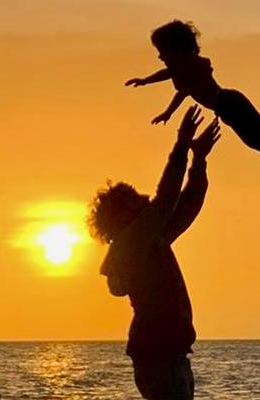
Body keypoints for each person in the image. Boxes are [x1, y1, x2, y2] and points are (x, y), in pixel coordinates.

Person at [88, 105, 220, 400]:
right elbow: (165, 200)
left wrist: (199, 161)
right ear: (123, 213)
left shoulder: (148, 240)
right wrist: (181, 145)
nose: (144, 198)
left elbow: (185, 207)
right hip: (160, 361)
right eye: (136, 198)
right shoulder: (132, 241)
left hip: (169, 358)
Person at [125, 19, 260, 186]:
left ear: (176, 50)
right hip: (223, 107)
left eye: (162, 52)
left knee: (257, 127)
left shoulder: (194, 65)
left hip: (229, 102)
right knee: (252, 137)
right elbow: (167, 74)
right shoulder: (180, 69)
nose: (160, 57)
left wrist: (168, 112)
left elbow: (183, 91)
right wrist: (145, 81)